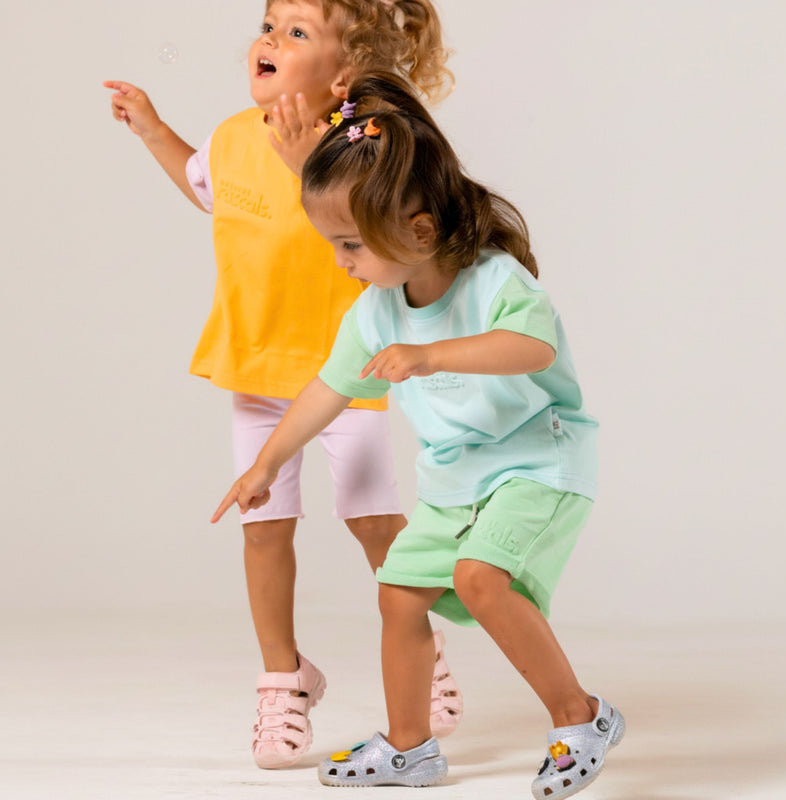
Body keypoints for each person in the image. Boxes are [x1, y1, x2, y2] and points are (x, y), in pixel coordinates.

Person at [212, 72, 626, 798]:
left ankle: (581, 716)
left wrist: (432, 355)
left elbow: (533, 351)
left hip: (539, 462)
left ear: (418, 230)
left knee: (479, 579)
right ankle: (410, 749)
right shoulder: (375, 312)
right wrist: (268, 465)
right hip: (457, 480)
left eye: (350, 245)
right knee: (399, 592)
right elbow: (326, 391)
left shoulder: (495, 281)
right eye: (334, 244)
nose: (342, 262)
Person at [103, 0, 462, 770]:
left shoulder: (362, 141)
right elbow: (204, 184)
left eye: (296, 32)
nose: (269, 39)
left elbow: (371, 223)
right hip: (260, 367)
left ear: (345, 76)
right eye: (269, 24)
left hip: (345, 373)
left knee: (374, 523)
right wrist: (151, 128)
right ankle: (283, 677)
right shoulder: (235, 136)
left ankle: (420, 657)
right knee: (264, 527)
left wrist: (309, 164)